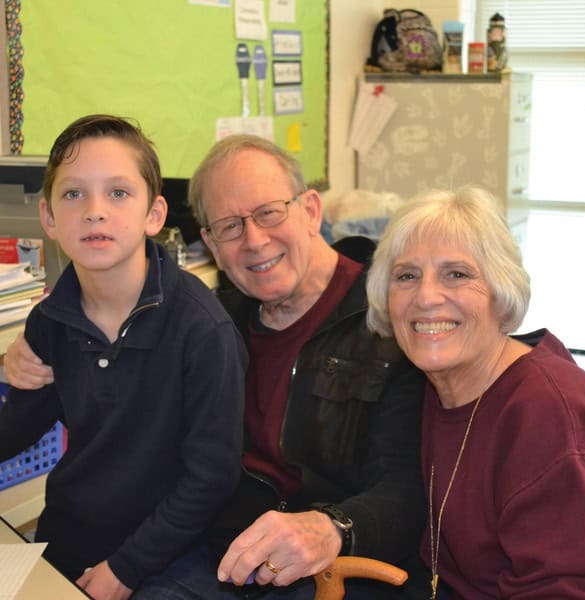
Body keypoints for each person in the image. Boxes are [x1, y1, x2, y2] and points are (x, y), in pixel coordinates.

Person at [5, 134, 429, 599]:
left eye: (269, 213)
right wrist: (22, 355)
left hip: (332, 568)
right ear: (209, 243)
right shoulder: (219, 317)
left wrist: (334, 526)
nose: (254, 241)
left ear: (310, 210)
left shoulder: (389, 322)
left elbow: (409, 489)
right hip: (222, 554)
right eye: (229, 226)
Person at [0, 115, 247, 600]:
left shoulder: (202, 328)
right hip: (69, 534)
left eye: (117, 193)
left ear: (154, 214)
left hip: (172, 553)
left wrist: (126, 569)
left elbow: (211, 478)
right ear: (48, 218)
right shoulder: (50, 320)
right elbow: (17, 429)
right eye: (73, 194)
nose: (95, 211)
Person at [366, 185, 585, 599]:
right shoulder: (429, 389)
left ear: (500, 289)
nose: (426, 297)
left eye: (456, 274)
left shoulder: (547, 415)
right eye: (407, 276)